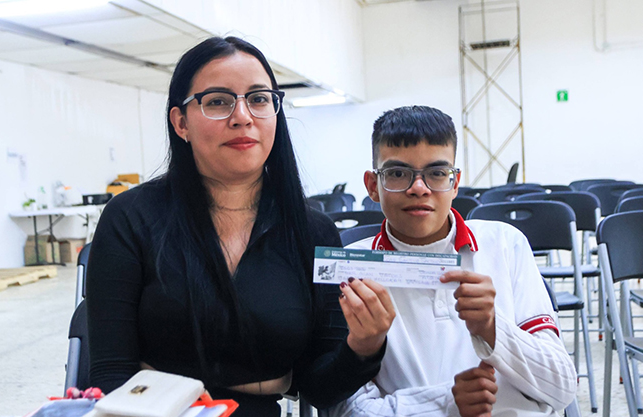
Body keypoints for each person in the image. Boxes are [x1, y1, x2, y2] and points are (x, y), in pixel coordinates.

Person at [86, 36, 395, 417]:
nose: (243, 116)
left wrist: (364, 345)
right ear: (181, 123)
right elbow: (110, 372)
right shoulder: (130, 217)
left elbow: (320, 388)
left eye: (259, 98)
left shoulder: (312, 232)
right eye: (218, 101)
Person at [329, 106, 577, 416]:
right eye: (397, 174)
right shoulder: (352, 270)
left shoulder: (504, 244)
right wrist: (445, 404)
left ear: (455, 182)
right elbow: (346, 409)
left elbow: (562, 388)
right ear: (372, 186)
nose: (418, 188)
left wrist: (493, 327)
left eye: (436, 173)